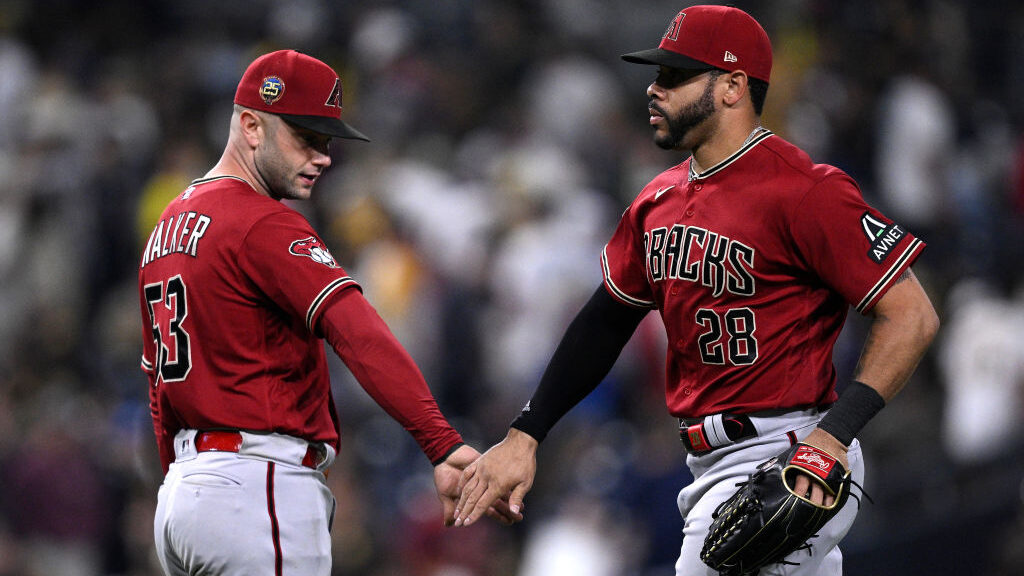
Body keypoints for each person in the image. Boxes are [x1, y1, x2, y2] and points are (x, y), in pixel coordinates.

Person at [453, 5, 939, 575]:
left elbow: (912, 315)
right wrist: (526, 433)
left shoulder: (805, 191)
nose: (654, 89)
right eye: (657, 75)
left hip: (790, 452)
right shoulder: (656, 201)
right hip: (707, 464)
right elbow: (607, 319)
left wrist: (832, 438)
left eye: (675, 76)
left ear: (733, 86)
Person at [138, 49, 516, 576]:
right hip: (257, 487)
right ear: (251, 125)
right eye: (305, 138)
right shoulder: (263, 222)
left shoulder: (167, 226)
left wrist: (180, 483)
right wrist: (441, 442)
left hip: (187, 495)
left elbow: (159, 388)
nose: (323, 156)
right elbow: (360, 335)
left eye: (326, 141)